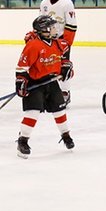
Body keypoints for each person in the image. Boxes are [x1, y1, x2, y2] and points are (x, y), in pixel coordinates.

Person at [15, 15, 74, 159]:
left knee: (59, 111)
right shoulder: (33, 46)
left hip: (52, 82)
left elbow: (64, 60)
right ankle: (23, 140)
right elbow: (21, 67)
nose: (55, 29)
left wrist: (66, 67)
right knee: (33, 113)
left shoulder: (58, 44)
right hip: (36, 84)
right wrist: (21, 81)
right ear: (43, 30)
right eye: (52, 27)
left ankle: (66, 135)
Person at [40, 0, 77, 104]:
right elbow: (41, 22)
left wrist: (66, 42)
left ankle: (65, 91)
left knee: (64, 66)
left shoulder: (67, 3)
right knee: (47, 64)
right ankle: (49, 91)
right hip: (47, 39)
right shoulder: (44, 3)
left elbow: (71, 25)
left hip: (61, 40)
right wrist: (38, 37)